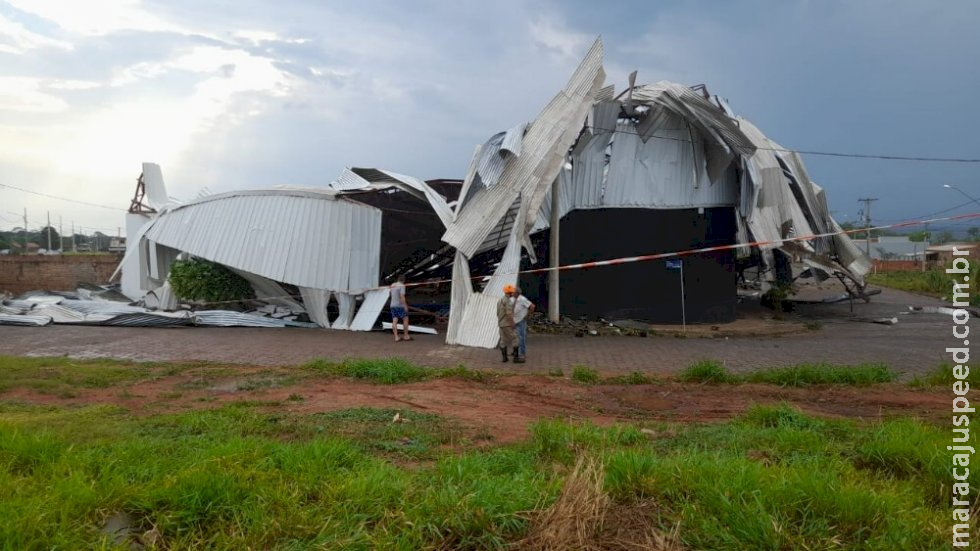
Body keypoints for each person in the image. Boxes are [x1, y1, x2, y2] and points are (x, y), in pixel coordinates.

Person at [512, 287, 535, 363]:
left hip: (521, 320)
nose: (512, 293)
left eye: (513, 292)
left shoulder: (522, 299)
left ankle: (522, 353)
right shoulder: (513, 299)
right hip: (515, 320)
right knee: (515, 337)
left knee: (521, 337)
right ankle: (516, 352)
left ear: (517, 293)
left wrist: (527, 316)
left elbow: (532, 306)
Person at [496, 283, 518, 362]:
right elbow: (509, 314)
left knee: (503, 340)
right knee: (515, 338)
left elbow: (497, 313)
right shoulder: (508, 301)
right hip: (507, 323)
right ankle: (516, 358)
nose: (513, 293)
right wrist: (512, 323)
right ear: (510, 293)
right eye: (512, 292)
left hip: (501, 323)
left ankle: (504, 358)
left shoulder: (500, 300)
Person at [390, 275, 411, 342]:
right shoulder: (402, 286)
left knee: (394, 320)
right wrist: (405, 306)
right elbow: (402, 296)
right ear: (404, 280)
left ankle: (396, 337)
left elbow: (391, 294)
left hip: (392, 305)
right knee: (405, 319)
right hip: (399, 305)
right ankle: (406, 336)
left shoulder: (393, 285)